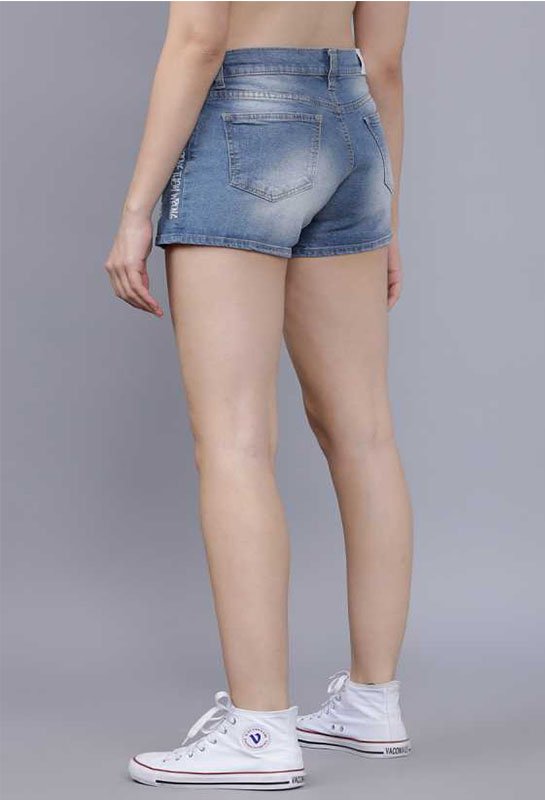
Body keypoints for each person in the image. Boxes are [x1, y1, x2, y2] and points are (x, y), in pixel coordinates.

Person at [104, 2, 412, 790]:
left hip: (243, 117)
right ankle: (372, 703)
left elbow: (200, 38)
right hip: (354, 127)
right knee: (365, 432)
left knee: (235, 439)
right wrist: (386, 212)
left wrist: (136, 210)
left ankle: (259, 730)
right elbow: (384, 64)